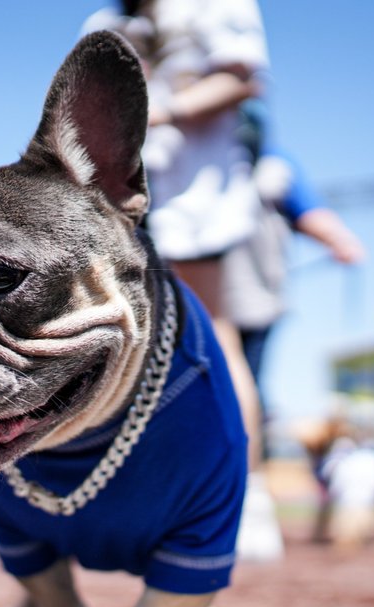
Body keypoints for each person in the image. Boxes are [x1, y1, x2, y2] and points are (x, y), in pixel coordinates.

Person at [84, 0, 282, 557]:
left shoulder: (214, 4)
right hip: (108, 199)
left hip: (193, 193)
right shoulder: (104, 21)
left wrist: (150, 111)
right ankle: (130, 492)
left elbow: (242, 79)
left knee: (213, 338)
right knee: (117, 341)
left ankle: (245, 494)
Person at [222, 145, 366, 458]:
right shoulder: (265, 164)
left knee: (238, 384)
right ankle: (246, 469)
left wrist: (340, 239)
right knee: (236, 383)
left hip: (253, 300)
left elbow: (310, 213)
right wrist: (341, 240)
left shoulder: (270, 165)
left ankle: (247, 468)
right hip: (217, 298)